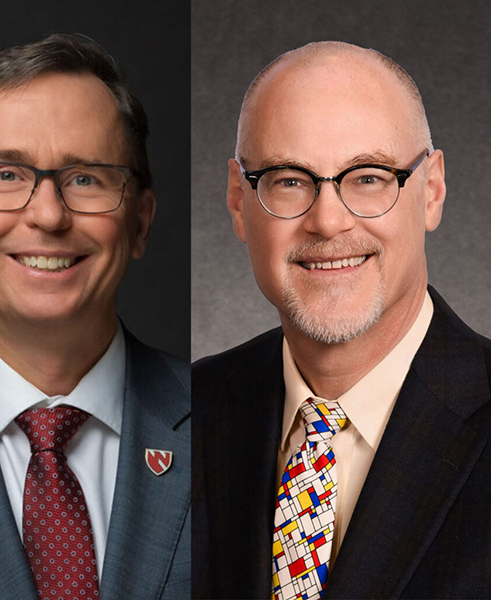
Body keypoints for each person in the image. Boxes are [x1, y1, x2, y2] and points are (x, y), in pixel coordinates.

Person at [0, 33, 190, 599]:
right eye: (5, 175)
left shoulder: (226, 428)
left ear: (140, 221)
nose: (49, 215)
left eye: (86, 178)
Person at [192, 40, 491, 598]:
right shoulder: (184, 413)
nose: (328, 221)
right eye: (288, 179)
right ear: (238, 201)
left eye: (368, 177)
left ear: (431, 191)